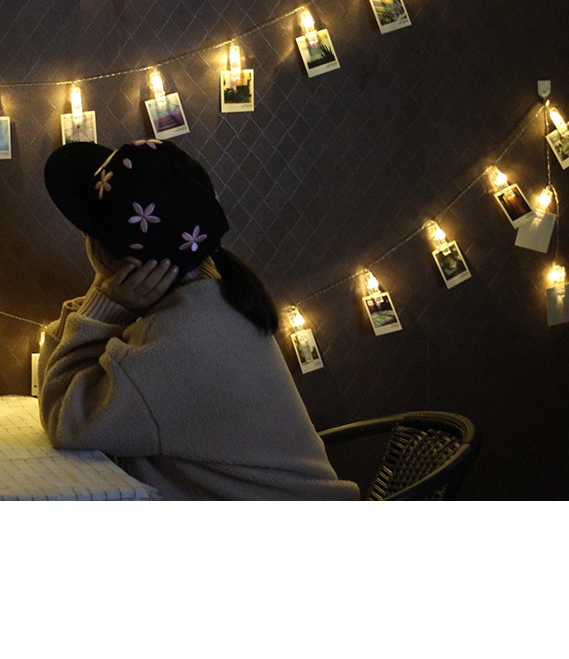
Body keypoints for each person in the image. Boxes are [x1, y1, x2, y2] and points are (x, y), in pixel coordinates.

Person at [38, 138, 359, 501]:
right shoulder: (215, 296)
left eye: (87, 230)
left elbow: (64, 420)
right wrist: (107, 300)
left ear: (126, 263)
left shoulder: (174, 336)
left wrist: (105, 301)